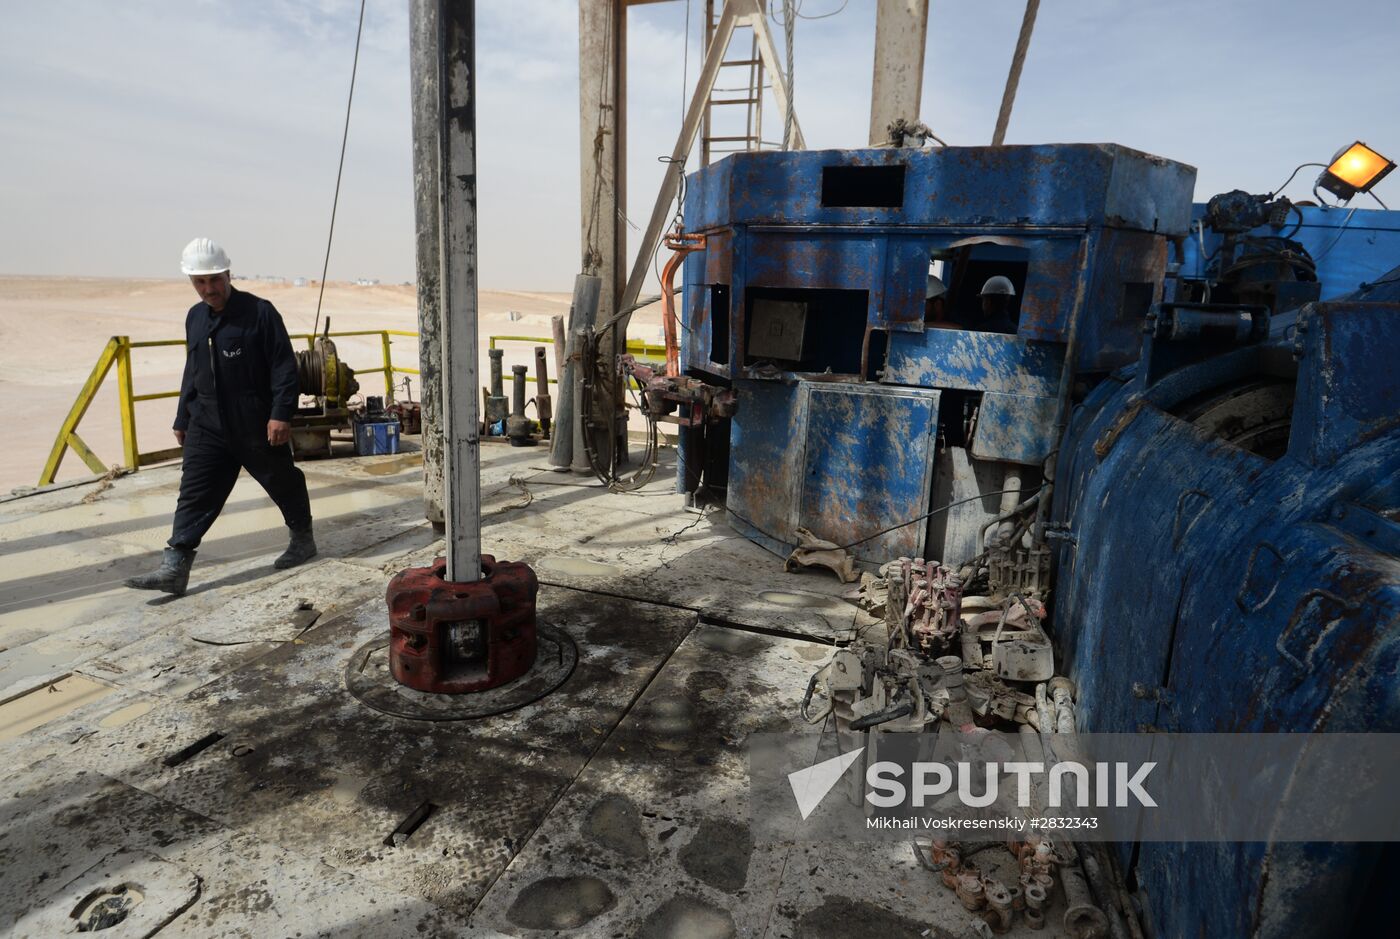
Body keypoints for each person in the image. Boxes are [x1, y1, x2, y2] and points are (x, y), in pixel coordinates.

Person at [125, 238, 316, 597]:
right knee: (194, 492)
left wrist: (280, 414)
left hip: (254, 420)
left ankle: (303, 540)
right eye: (200, 282)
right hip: (206, 423)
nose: (208, 289)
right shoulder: (195, 317)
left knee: (282, 481)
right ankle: (175, 566)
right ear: (191, 282)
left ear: (228, 274)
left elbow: (283, 366)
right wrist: (182, 416)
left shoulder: (260, 312)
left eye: (214, 279)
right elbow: (193, 369)